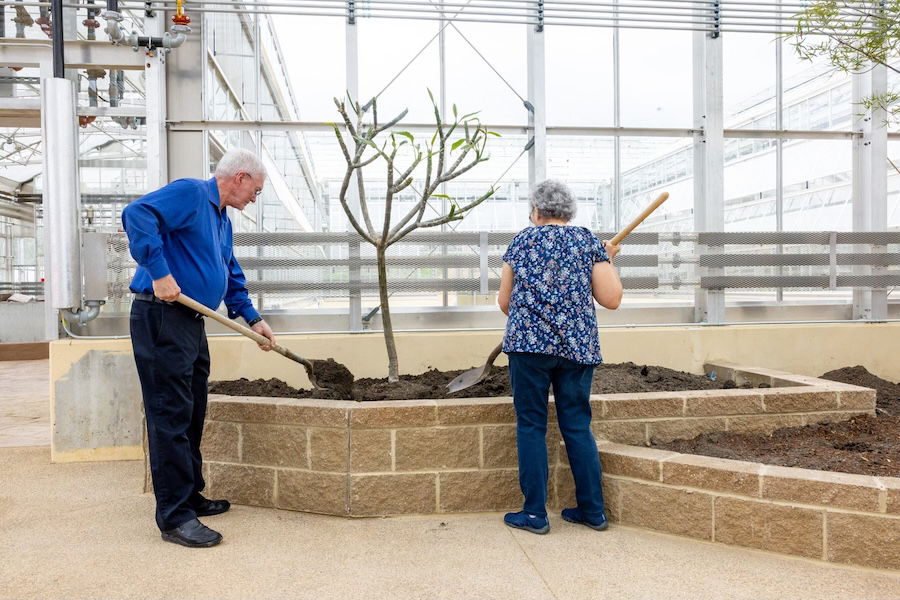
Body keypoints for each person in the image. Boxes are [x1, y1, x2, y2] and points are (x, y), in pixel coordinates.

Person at [122, 149, 276, 548]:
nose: (254, 199)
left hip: (191, 323)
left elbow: (229, 275)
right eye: (256, 191)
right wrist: (159, 273)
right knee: (170, 417)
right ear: (240, 177)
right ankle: (174, 517)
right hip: (161, 318)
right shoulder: (191, 194)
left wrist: (253, 319)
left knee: (192, 413)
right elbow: (137, 215)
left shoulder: (221, 221)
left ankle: (189, 496)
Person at [498, 179, 623, 535]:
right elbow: (611, 299)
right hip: (577, 349)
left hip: (528, 348)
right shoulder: (587, 242)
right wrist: (607, 260)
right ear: (569, 211)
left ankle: (535, 514)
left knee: (532, 426)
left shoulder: (521, 241)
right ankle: (593, 511)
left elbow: (505, 302)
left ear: (536, 212)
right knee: (577, 425)